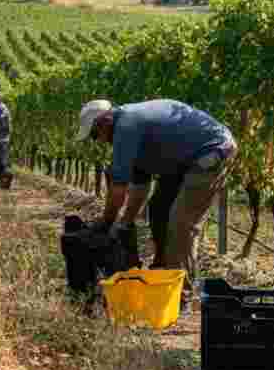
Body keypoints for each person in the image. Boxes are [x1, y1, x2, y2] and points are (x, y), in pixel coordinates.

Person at [76, 98, 237, 310]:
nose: (97, 141)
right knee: (159, 209)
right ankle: (162, 270)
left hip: (212, 152)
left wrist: (107, 223)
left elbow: (118, 190)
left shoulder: (125, 127)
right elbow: (139, 189)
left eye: (95, 135)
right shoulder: (130, 129)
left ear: (104, 122)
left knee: (181, 224)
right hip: (183, 162)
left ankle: (182, 295)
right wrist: (124, 223)